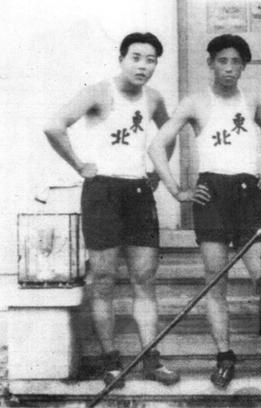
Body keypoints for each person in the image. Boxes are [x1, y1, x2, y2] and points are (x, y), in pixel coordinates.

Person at [148, 34, 261, 389]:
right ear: (211, 63)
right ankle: (225, 358)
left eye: (236, 62)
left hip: (248, 196)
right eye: (222, 61)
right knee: (215, 282)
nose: (229, 68)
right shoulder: (195, 102)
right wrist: (177, 191)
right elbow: (157, 145)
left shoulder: (253, 100)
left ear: (244, 66)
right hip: (212, 196)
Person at [44, 32, 179, 387]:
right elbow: (53, 126)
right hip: (102, 191)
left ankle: (151, 358)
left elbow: (168, 134)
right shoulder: (98, 93)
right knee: (103, 280)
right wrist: (79, 165)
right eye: (136, 57)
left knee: (144, 279)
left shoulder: (153, 98)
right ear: (121, 58)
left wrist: (157, 173)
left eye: (150, 60)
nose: (143, 66)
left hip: (138, 192)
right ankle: (110, 362)